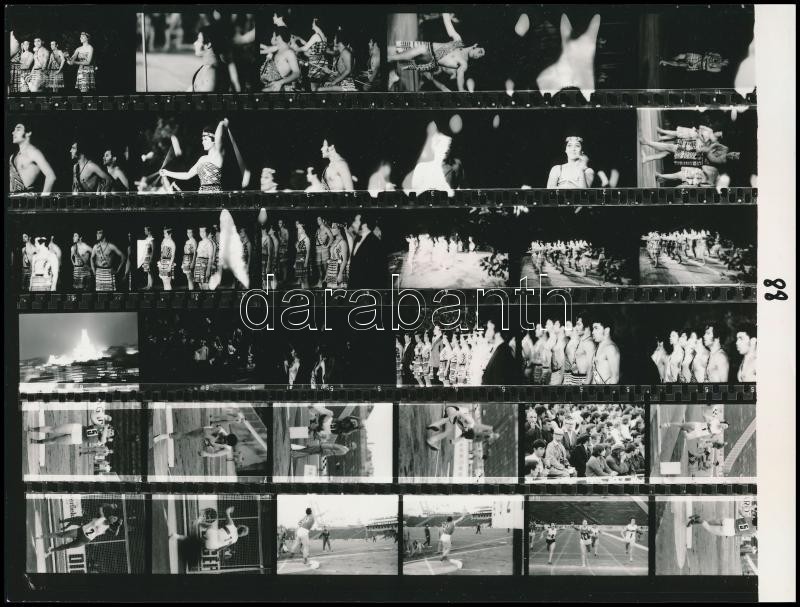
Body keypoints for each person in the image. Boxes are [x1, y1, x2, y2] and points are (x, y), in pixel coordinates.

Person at [388, 13, 485, 92]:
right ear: (475, 46)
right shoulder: (458, 41)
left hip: (427, 57)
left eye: (480, 57)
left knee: (416, 51)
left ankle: (391, 60)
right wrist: (445, 12)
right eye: (480, 52)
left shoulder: (464, 63)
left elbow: (460, 77)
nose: (478, 56)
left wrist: (461, 89)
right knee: (392, 49)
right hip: (426, 46)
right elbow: (448, 24)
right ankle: (393, 71)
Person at [161, 119, 228, 193]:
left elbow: (218, 138)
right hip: (202, 194)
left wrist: (221, 124)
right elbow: (187, 175)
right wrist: (167, 172)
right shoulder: (202, 159)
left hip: (215, 194)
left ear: (213, 140)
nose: (203, 142)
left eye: (205, 139)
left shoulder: (217, 155)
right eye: (202, 140)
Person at [39, 507, 121, 555]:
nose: (113, 519)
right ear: (110, 516)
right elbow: (100, 506)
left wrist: (118, 526)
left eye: (115, 520)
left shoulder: (107, 528)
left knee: (68, 546)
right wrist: (109, 505)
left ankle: (51, 550)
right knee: (62, 535)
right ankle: (42, 536)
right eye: (113, 517)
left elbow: (115, 534)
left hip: (85, 540)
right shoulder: (102, 517)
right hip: (80, 531)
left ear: (113, 523)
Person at [10, 122, 56, 194]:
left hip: (27, 199)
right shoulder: (13, 156)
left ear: (28, 133)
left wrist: (43, 198)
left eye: (18, 129)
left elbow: (51, 177)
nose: (13, 132)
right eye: (14, 130)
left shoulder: (34, 153)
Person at [290, 18, 328, 91]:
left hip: (315, 63)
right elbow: (312, 46)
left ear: (316, 25)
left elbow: (305, 48)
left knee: (314, 88)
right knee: (318, 85)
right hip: (322, 61)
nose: (312, 24)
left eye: (313, 22)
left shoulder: (316, 36)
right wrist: (300, 38)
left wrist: (295, 49)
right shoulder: (324, 37)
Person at [259, 27, 301, 91]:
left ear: (278, 37)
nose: (271, 38)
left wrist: (280, 82)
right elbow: (263, 49)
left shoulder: (289, 52)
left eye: (273, 36)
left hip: (274, 89)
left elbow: (297, 73)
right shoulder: (277, 50)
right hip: (266, 87)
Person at [348, 214, 383, 289]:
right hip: (354, 288)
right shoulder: (357, 240)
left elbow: (376, 272)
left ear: (364, 225)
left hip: (366, 289)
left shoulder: (374, 242)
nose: (353, 224)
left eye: (355, 221)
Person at [188, 26, 227, 92]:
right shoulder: (206, 67)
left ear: (208, 44)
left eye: (198, 40)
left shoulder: (211, 71)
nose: (195, 43)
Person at [481, 319, 519, 386]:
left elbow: (500, 383)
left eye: (489, 329)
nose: (486, 333)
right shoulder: (501, 349)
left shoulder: (503, 353)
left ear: (497, 333)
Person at [590, 319, 620, 384]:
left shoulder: (610, 348)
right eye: (593, 329)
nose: (593, 332)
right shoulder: (598, 346)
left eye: (596, 328)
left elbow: (615, 378)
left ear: (606, 330)